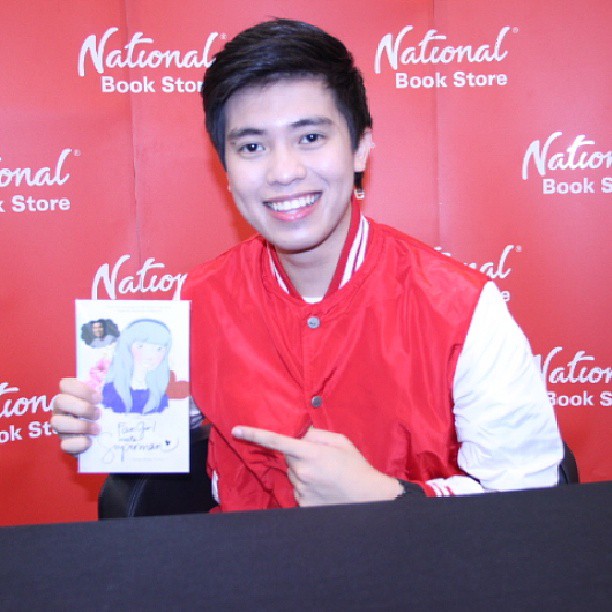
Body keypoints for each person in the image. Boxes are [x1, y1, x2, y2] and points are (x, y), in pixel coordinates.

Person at [52, 19, 562, 511]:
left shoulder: (462, 308)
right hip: (246, 561)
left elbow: (530, 501)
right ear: (225, 168)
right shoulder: (197, 301)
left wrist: (390, 498)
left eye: (311, 138)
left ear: (360, 147)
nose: (284, 172)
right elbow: (165, 423)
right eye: (252, 146)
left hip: (420, 563)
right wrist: (104, 421)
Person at [101, 319, 172, 414]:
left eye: (159, 349)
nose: (151, 356)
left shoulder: (160, 394)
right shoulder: (111, 390)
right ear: (127, 348)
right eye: (140, 346)